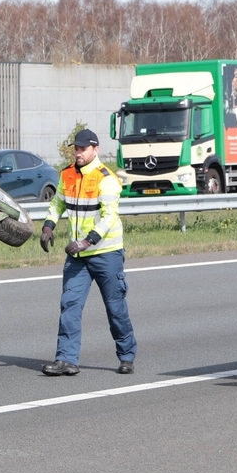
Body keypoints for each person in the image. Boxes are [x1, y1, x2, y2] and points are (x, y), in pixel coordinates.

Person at [39, 129, 137, 376]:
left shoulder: (107, 179)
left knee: (115, 308)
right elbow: (57, 203)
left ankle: (126, 356)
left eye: (83, 149)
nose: (78, 153)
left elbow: (109, 217)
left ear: (96, 149)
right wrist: (48, 226)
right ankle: (66, 359)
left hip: (106, 253)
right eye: (76, 149)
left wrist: (87, 241)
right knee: (69, 304)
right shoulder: (67, 175)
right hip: (77, 256)